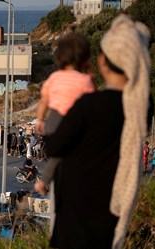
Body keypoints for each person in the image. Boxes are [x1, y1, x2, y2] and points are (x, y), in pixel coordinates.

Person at [37, 15, 152, 249]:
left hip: (75, 200)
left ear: (103, 61)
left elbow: (55, 144)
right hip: (113, 198)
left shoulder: (90, 104)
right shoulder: (141, 105)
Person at [34, 32, 95, 195]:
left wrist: (40, 120)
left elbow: (44, 101)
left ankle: (43, 182)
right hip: (72, 121)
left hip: (53, 120)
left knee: (58, 155)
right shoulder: (85, 81)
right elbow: (90, 105)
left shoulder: (54, 77)